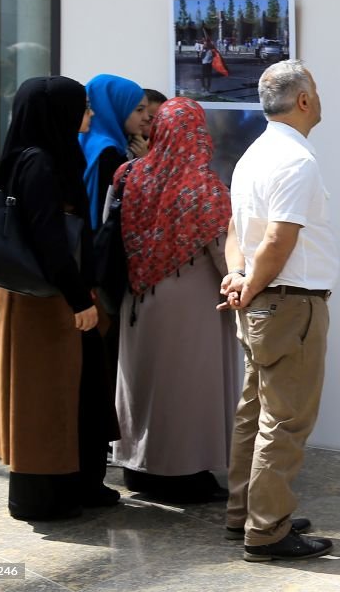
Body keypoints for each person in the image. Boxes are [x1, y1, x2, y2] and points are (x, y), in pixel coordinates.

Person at [219, 60, 338, 561]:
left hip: (259, 300)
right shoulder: (296, 160)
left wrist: (238, 278)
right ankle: (267, 530)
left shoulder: (253, 155)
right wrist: (251, 282)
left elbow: (234, 232)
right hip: (290, 304)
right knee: (285, 421)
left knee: (256, 411)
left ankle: (244, 512)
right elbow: (278, 238)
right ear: (305, 100)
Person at [0, 76, 119, 521]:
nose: (88, 114)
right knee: (45, 394)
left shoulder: (27, 157)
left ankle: (77, 483)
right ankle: (45, 497)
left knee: (71, 389)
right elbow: (49, 238)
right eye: (82, 107)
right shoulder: (41, 163)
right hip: (46, 300)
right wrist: (78, 299)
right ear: (56, 114)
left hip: (36, 294)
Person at [112, 98, 239, 503]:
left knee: (142, 384)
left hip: (138, 298)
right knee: (186, 387)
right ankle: (185, 475)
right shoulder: (204, 188)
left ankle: (138, 467)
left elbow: (110, 229)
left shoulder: (128, 173)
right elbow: (224, 253)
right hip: (190, 301)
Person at [79, 74, 147, 231]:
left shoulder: (85, 140)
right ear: (114, 108)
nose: (145, 117)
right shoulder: (109, 153)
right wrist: (146, 163)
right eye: (139, 110)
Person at [128, 88, 167, 159]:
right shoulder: (123, 144)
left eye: (160, 120)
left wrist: (146, 157)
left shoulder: (164, 144)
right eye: (150, 119)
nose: (156, 126)